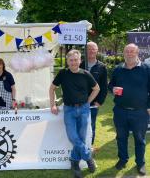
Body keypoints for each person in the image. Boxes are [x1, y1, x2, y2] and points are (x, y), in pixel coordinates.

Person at [49, 49, 100, 178]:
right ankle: (88, 157)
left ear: (80, 61)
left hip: (83, 109)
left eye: (76, 60)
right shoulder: (63, 73)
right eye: (71, 60)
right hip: (69, 110)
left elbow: (96, 88)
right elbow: (52, 88)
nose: (73, 62)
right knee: (73, 137)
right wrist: (52, 104)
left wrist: (88, 101)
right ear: (67, 61)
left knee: (81, 138)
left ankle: (75, 163)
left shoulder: (86, 74)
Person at [108, 43, 150, 176]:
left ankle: (140, 163)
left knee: (140, 139)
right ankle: (123, 159)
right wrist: (112, 89)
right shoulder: (118, 69)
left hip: (140, 111)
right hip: (120, 110)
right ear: (124, 53)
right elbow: (111, 85)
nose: (129, 54)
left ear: (137, 53)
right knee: (121, 137)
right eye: (127, 51)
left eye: (132, 51)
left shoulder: (146, 69)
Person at [80, 41, 107, 145]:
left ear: (97, 51)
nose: (91, 51)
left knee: (91, 126)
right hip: (79, 102)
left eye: (93, 49)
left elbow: (104, 87)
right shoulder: (80, 65)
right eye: (88, 49)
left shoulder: (102, 67)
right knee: (80, 125)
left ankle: (89, 147)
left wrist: (99, 102)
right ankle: (80, 147)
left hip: (93, 104)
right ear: (85, 51)